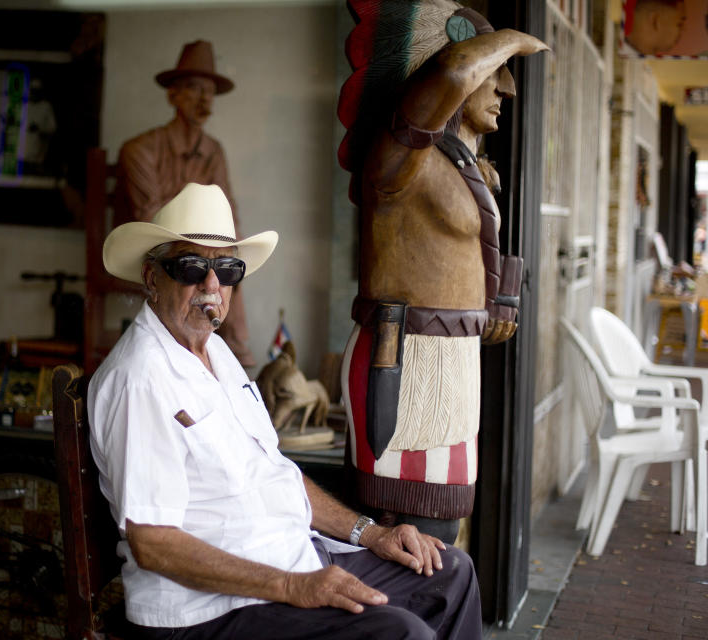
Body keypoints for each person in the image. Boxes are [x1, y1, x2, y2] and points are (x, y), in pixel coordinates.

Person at [88, 183, 482, 640]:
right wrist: (294, 586)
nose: (211, 285)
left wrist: (371, 534)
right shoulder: (140, 378)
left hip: (294, 558)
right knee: (399, 634)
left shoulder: (216, 352)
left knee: (451, 575)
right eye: (192, 266)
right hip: (210, 609)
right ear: (152, 277)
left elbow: (276, 474)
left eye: (227, 269)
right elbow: (153, 543)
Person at [336, 0, 548, 543]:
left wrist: (500, 298)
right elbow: (453, 73)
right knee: (408, 534)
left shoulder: (460, 166)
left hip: (450, 361)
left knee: (444, 528)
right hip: (403, 359)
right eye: (493, 70)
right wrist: (510, 39)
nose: (507, 87)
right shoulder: (397, 159)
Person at [113, 40, 256, 367]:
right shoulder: (140, 150)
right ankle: (235, 353)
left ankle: (232, 356)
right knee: (202, 263)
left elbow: (227, 219)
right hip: (156, 255)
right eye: (193, 88)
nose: (204, 98)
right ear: (173, 94)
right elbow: (151, 222)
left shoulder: (214, 151)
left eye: (209, 91)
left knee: (227, 261)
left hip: (197, 257)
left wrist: (219, 250)